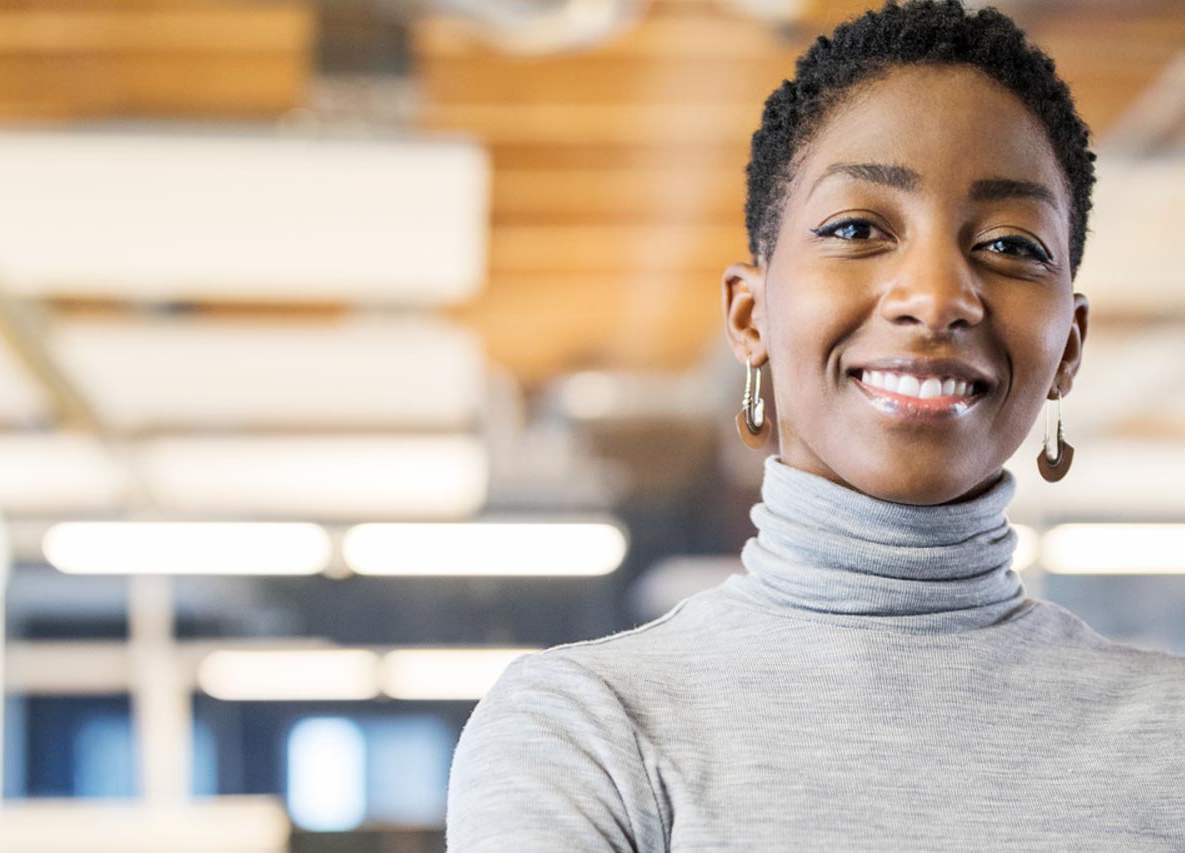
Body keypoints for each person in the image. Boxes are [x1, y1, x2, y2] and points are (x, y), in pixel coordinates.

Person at [444, 1, 1185, 850]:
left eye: (1012, 245)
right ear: (750, 316)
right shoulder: (588, 732)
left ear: (1069, 346)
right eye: (857, 229)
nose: (937, 295)